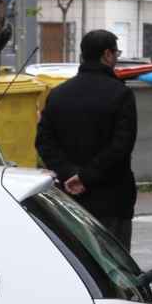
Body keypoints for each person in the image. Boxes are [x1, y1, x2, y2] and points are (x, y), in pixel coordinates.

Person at [34, 29, 137, 250]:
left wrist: (69, 174)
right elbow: (121, 146)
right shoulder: (120, 94)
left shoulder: (58, 94)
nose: (116, 60)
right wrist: (85, 176)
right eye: (116, 54)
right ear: (107, 55)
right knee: (113, 268)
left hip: (68, 200)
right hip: (112, 199)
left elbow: (44, 142)